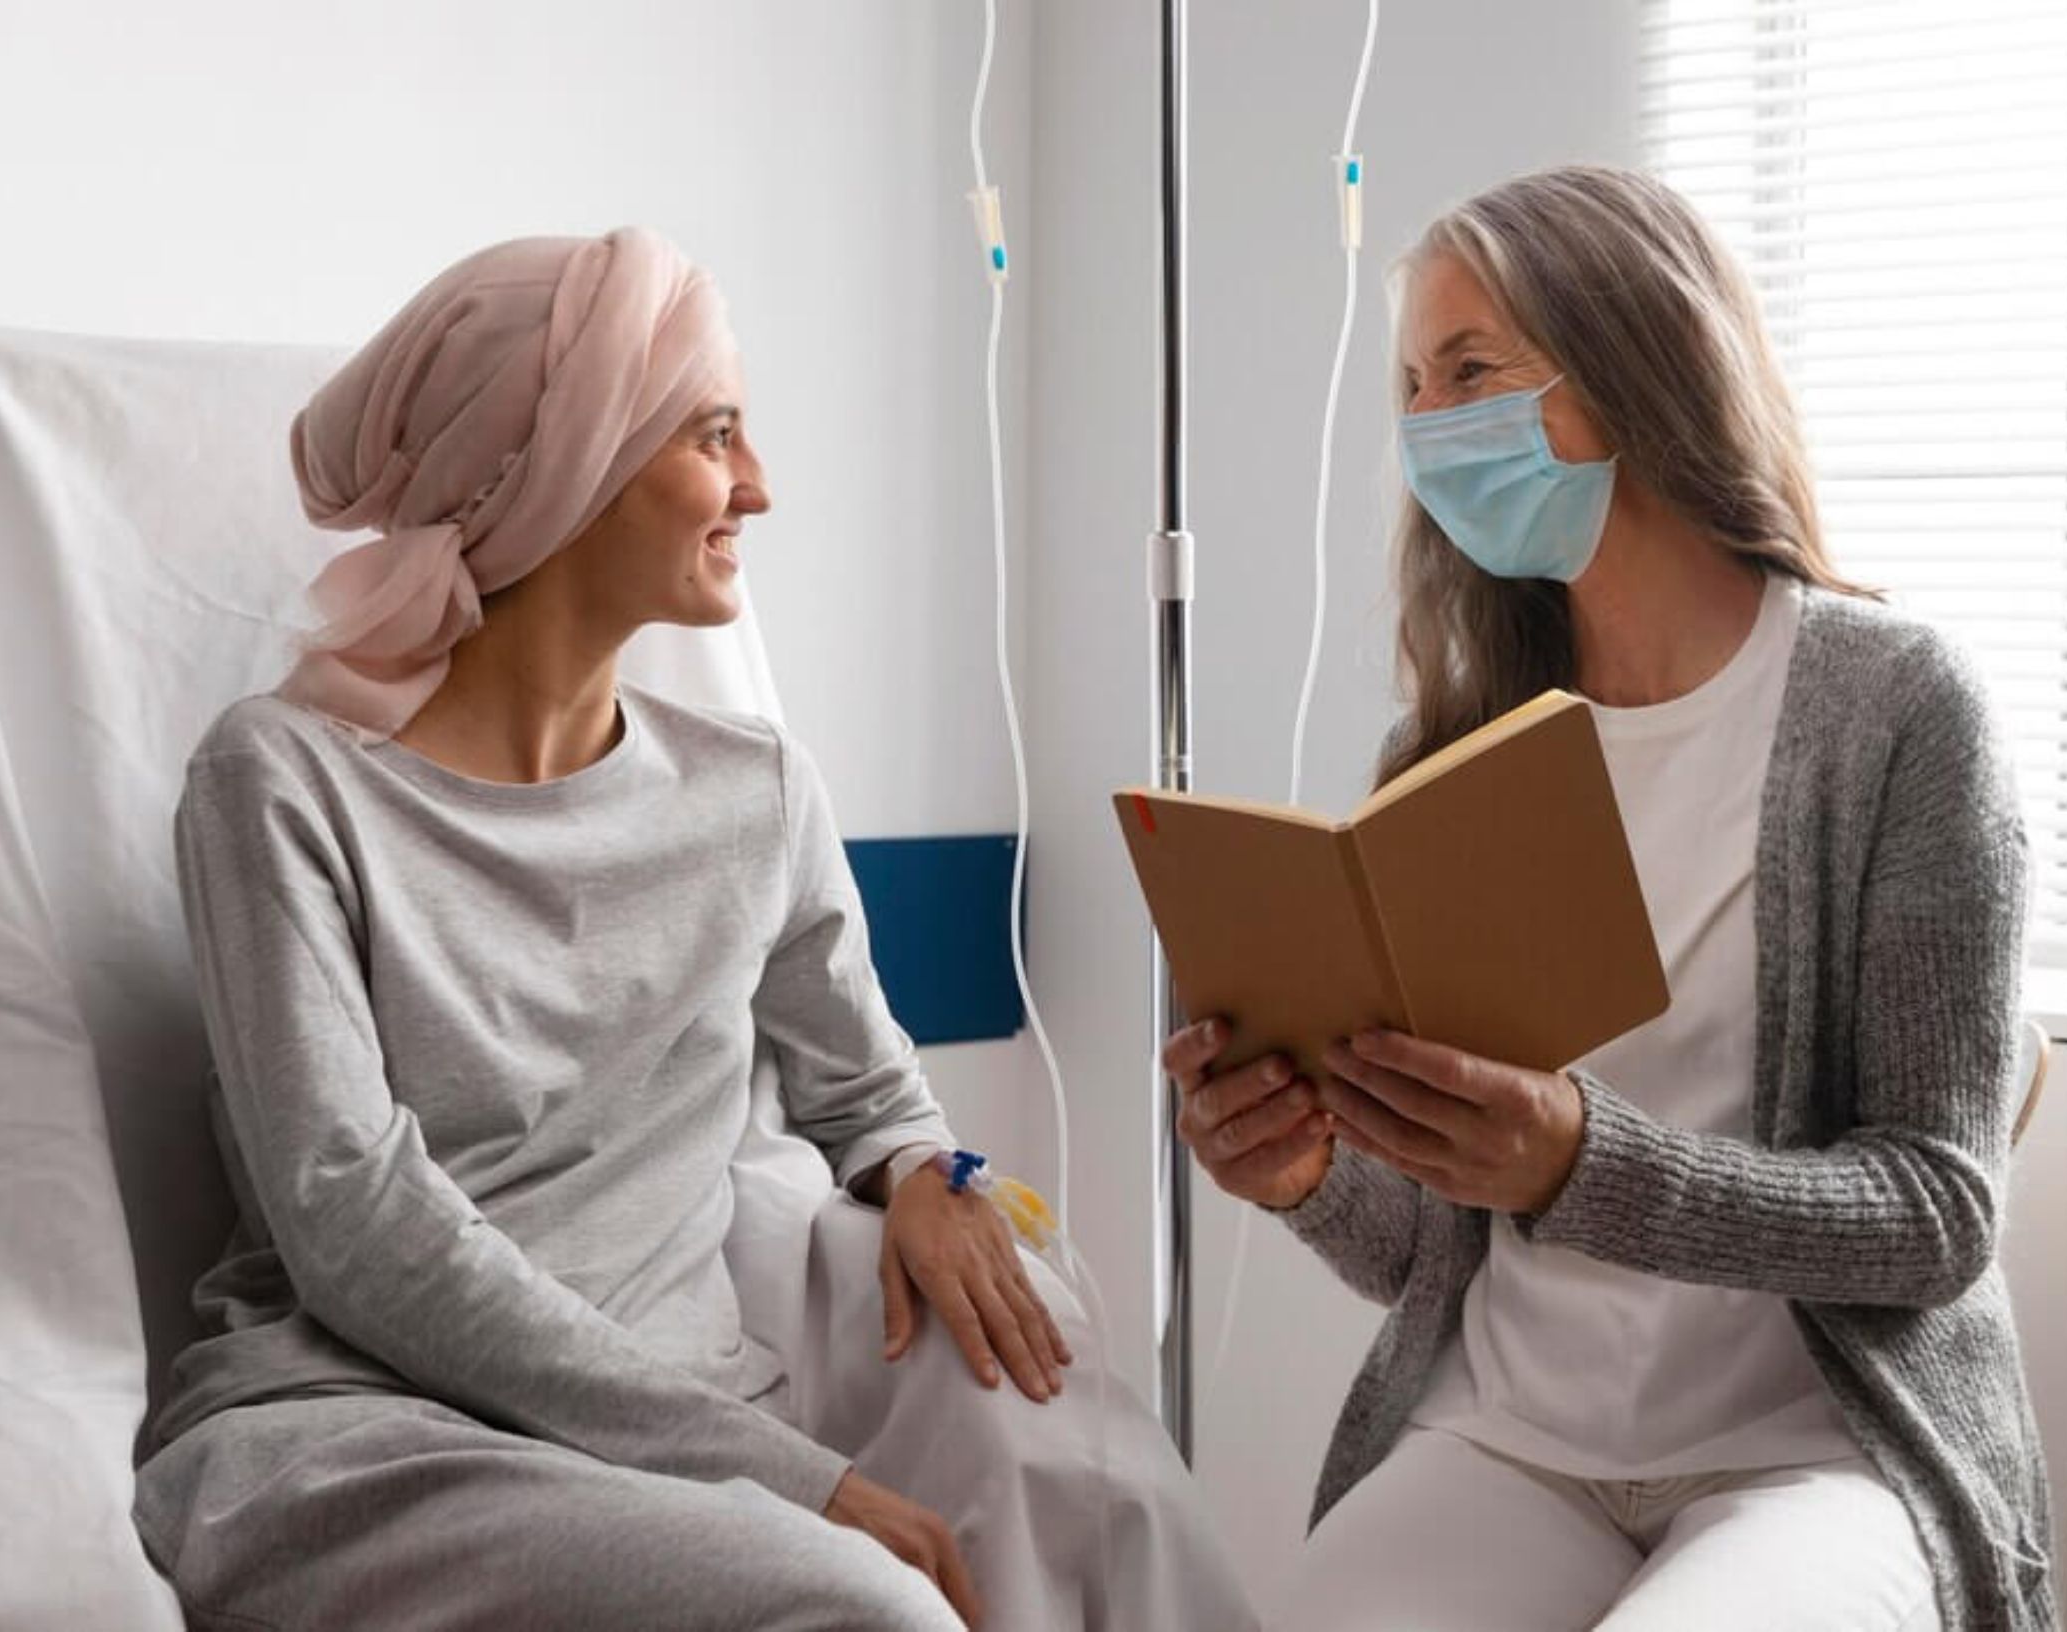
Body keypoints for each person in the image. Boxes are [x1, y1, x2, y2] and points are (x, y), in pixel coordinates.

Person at [134, 226, 1253, 1632]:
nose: (760, 487)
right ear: (569, 465)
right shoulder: (279, 784)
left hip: (655, 1458)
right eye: (715, 434)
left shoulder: (753, 792)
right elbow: (354, 1224)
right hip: (358, 1443)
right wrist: (791, 1478)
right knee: (874, 1611)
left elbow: (867, 1083)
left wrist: (922, 1168)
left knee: (1108, 1517)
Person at [1167, 165, 2052, 1632]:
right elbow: (1424, 1249)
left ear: (1637, 365)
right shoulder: (1449, 754)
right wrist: (1306, 1173)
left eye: (1472, 371)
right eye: (1411, 386)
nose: (1431, 426)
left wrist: (1585, 1164)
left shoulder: (1895, 713)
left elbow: (1936, 1214)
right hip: (1517, 1436)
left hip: (1812, 1457)